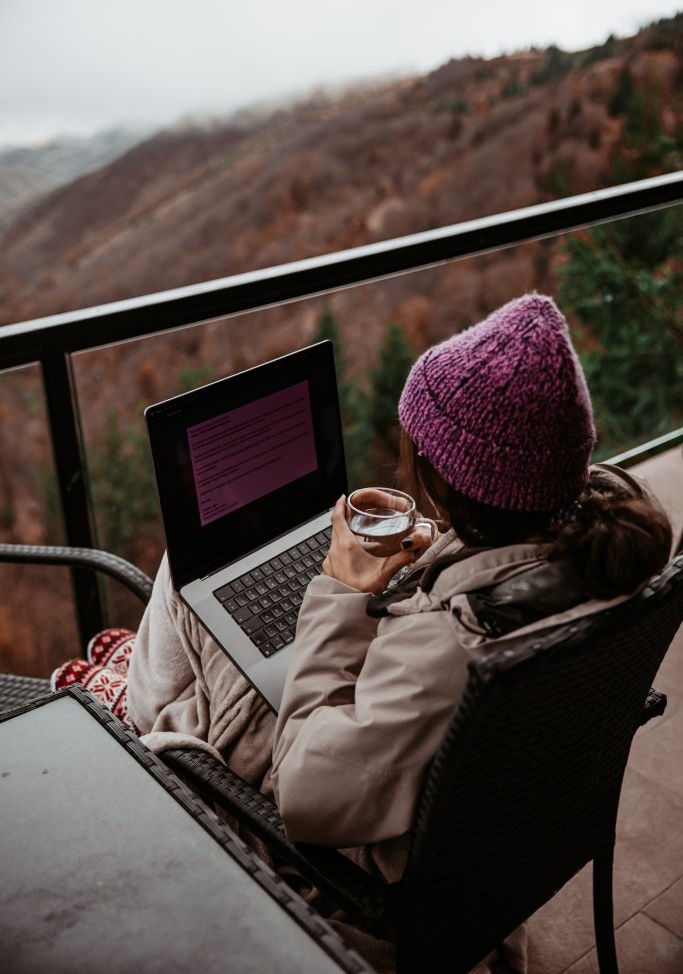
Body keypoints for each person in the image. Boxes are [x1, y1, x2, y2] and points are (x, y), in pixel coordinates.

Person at [62, 293, 674, 974]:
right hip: (499, 816)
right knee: (208, 596)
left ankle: (135, 724)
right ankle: (146, 691)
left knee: (184, 573)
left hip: (365, 843)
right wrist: (441, 555)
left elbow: (305, 794)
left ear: (444, 478)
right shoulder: (604, 558)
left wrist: (337, 591)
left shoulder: (451, 648)